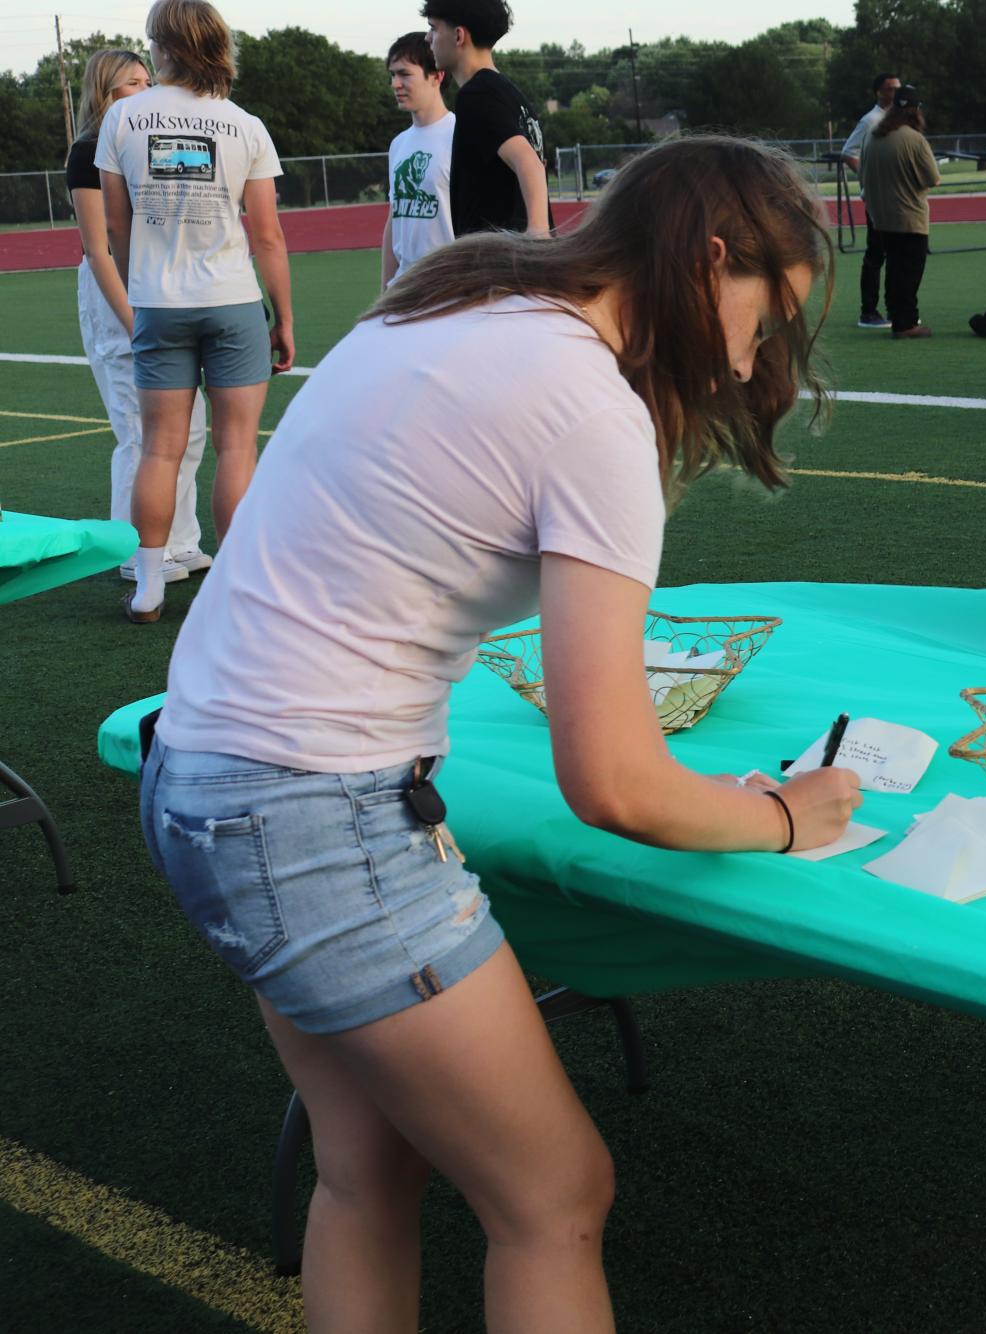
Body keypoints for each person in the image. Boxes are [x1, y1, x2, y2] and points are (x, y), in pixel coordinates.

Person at [137, 136, 863, 1331]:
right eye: (765, 313)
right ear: (712, 259)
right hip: (314, 819)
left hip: (200, 773)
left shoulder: (439, 306)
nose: (759, 351)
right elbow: (615, 781)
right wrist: (783, 814)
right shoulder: (589, 408)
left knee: (364, 1165)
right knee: (557, 1193)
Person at [96, 0, 293, 624]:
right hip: (233, 302)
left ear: (163, 44)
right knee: (237, 448)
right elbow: (267, 237)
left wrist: (142, 285)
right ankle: (234, 591)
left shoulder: (122, 118)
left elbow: (116, 225)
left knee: (159, 449)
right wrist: (283, 318)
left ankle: (149, 589)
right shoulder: (244, 123)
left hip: (159, 303)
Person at [65, 46, 212, 586]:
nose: (146, 90)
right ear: (106, 91)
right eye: (132, 82)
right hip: (119, 299)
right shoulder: (88, 152)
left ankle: (180, 540)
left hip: (162, 290)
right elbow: (99, 250)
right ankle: (134, 550)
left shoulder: (146, 148)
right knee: (139, 429)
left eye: (148, 80)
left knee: (188, 427)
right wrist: (132, 320)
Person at [423, 0, 550, 237]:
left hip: (498, 265)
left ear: (459, 36)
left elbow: (529, 163)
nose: (427, 38)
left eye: (434, 28)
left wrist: (538, 233)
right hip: (516, 263)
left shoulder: (476, 96)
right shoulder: (512, 95)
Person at [858, 84, 940, 340]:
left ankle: (895, 315)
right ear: (916, 111)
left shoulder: (872, 135)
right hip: (910, 217)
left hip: (881, 217)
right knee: (909, 272)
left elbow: (862, 174)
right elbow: (932, 178)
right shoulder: (915, 139)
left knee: (893, 269)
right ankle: (905, 323)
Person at [380, 30, 455, 288]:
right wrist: (384, 293)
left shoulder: (463, 135)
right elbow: (395, 221)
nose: (395, 84)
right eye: (392, 75)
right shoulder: (398, 144)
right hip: (404, 288)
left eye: (404, 74)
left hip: (450, 286)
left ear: (437, 76)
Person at [840, 71, 900, 329]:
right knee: (876, 252)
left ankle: (897, 309)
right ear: (879, 92)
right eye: (890, 89)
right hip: (878, 198)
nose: (895, 94)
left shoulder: (897, 119)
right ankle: (868, 311)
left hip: (897, 196)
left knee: (896, 253)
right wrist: (868, 177)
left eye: (898, 89)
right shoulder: (870, 120)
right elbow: (848, 152)